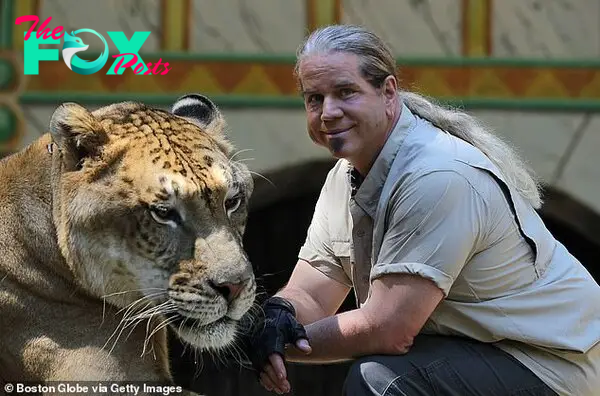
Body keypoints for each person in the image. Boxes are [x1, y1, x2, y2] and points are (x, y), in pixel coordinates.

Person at [244, 24, 600, 396]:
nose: (328, 112)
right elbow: (314, 294)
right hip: (477, 350)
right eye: (314, 98)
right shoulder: (344, 175)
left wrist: (272, 345)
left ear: (388, 92)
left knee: (380, 381)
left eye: (345, 92)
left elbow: (388, 329)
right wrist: (279, 316)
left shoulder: (437, 175)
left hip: (551, 366)